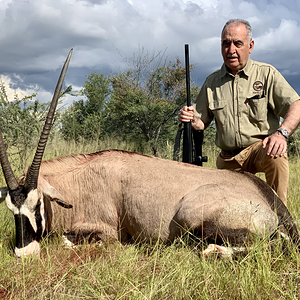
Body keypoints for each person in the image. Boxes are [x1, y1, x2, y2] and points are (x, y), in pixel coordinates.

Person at [178, 19, 300, 205]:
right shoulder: (212, 82)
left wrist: (282, 134)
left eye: (237, 43)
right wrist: (190, 117)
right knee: (223, 208)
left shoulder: (266, 74)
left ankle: (280, 220)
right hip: (229, 158)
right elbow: (201, 121)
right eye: (226, 43)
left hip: (260, 149)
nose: (231, 50)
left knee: (276, 153)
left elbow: (296, 104)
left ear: (250, 46)